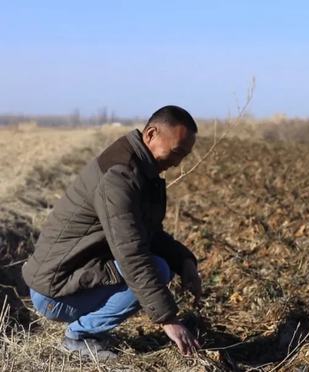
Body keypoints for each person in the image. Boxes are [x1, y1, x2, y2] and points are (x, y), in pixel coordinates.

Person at [22, 105, 202, 359]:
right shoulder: (119, 177)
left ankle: (89, 330)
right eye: (175, 152)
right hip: (54, 291)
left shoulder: (140, 169)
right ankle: (79, 337)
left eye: (184, 156)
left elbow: (147, 233)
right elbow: (131, 252)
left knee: (163, 265)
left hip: (74, 276)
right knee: (155, 269)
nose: (177, 163)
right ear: (151, 134)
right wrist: (168, 319)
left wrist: (184, 261)